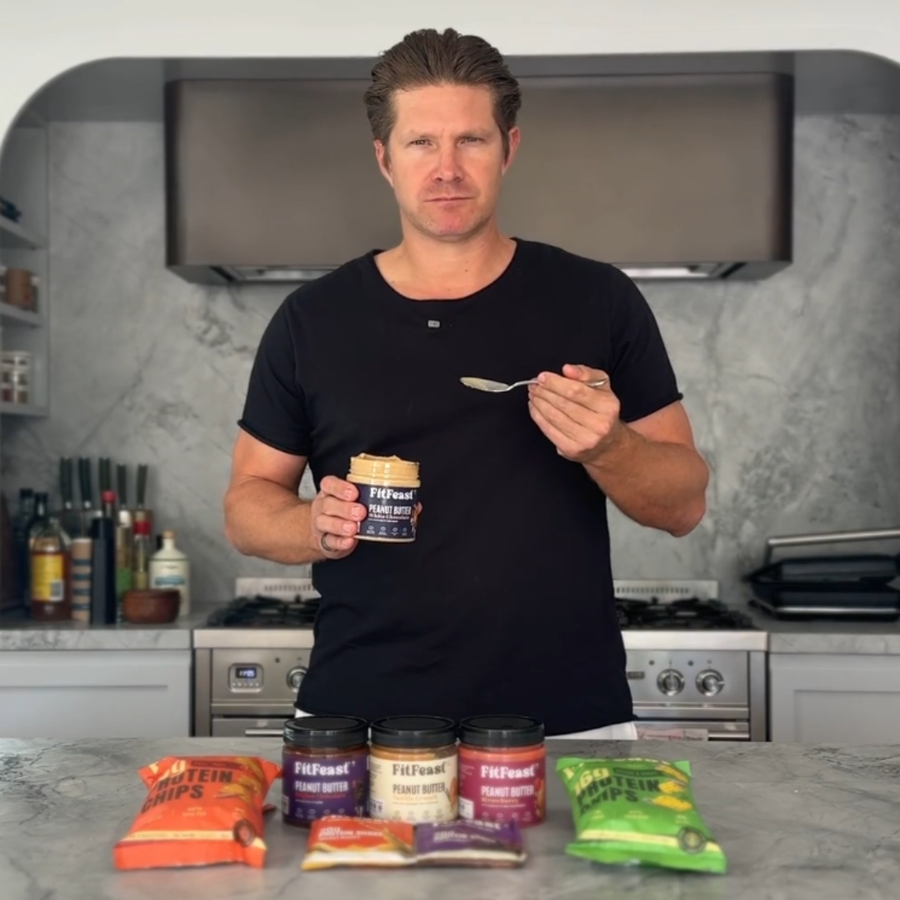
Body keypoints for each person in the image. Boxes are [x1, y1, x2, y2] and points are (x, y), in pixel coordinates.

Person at [224, 27, 709, 738]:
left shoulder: (597, 300)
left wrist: (608, 446)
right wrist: (309, 524)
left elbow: (684, 505)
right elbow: (245, 507)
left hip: (567, 720)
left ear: (509, 148)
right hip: (360, 723)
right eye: (422, 143)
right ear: (384, 159)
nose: (446, 168)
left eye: (471, 141)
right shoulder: (311, 321)